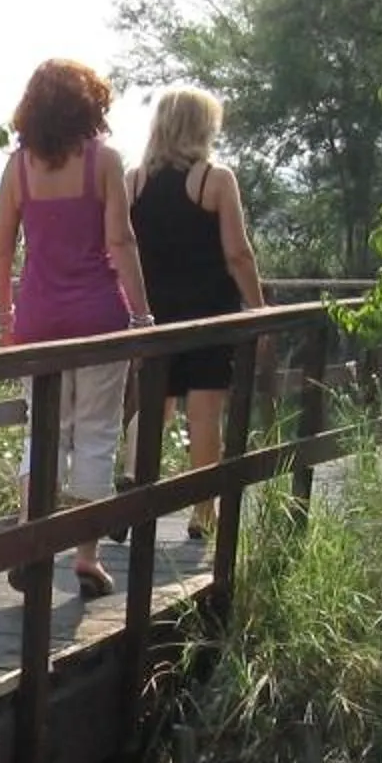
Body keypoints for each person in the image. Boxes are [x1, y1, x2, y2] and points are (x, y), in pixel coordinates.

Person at [0, 58, 150, 596]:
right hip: (98, 317)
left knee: (45, 433)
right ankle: (86, 555)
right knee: (97, 432)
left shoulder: (18, 167)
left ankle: (28, 540)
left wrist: (6, 318)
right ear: (91, 104)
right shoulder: (103, 162)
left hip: (39, 319)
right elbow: (121, 242)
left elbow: (1, 248)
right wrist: (143, 317)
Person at [128, 86, 266, 542]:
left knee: (153, 409)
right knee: (205, 416)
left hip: (153, 314)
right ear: (202, 127)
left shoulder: (133, 181)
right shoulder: (215, 180)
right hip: (210, 314)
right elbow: (238, 255)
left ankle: (134, 497)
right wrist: (259, 309)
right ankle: (202, 512)